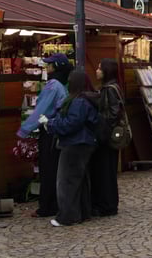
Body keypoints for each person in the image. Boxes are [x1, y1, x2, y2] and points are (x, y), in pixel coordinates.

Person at [16, 53, 73, 218]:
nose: (46, 68)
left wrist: (25, 130)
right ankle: (54, 204)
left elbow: (42, 110)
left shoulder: (52, 86)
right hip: (57, 131)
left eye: (49, 65)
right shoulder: (63, 85)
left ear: (56, 67)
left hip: (49, 131)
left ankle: (46, 207)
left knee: (47, 170)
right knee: (55, 170)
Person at [42, 70, 101, 227]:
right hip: (83, 142)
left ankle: (67, 216)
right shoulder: (85, 99)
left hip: (75, 143)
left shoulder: (78, 101)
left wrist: (51, 124)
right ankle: (81, 212)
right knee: (79, 180)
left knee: (67, 181)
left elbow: (71, 124)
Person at [88, 58, 123, 217]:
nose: (97, 70)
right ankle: (108, 203)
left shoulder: (109, 89)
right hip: (108, 136)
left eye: (100, 68)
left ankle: (107, 205)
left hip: (107, 137)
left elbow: (112, 113)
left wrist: (102, 130)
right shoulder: (112, 87)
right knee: (107, 171)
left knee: (105, 171)